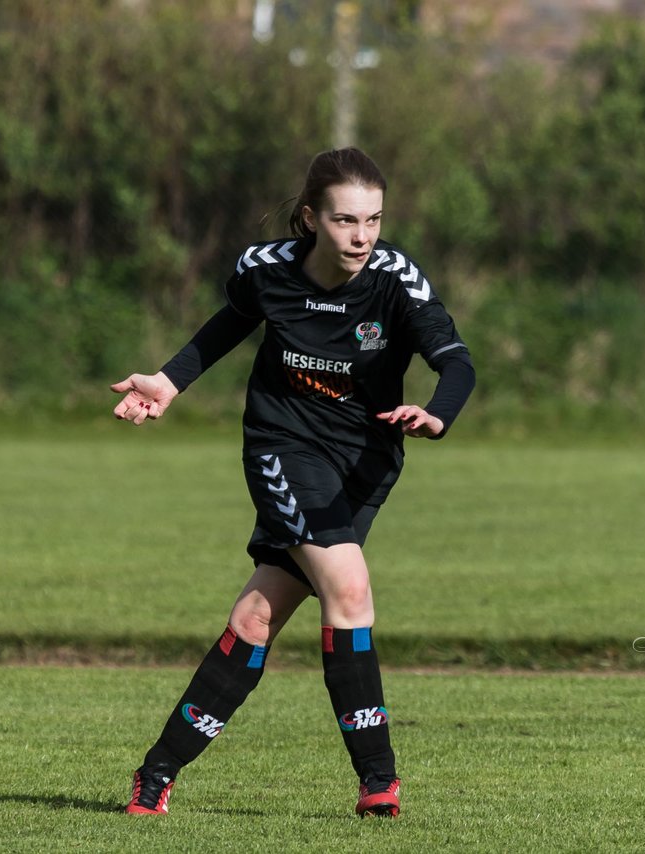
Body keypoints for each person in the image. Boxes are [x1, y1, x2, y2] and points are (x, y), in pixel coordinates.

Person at [110, 147, 475, 818]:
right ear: (311, 219)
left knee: (255, 618)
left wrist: (438, 413)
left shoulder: (396, 279)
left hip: (365, 464)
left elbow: (455, 361)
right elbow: (232, 322)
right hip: (283, 448)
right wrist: (168, 381)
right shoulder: (267, 269)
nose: (362, 236)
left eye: (373, 219)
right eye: (344, 220)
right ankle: (379, 782)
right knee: (350, 586)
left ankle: (156, 773)